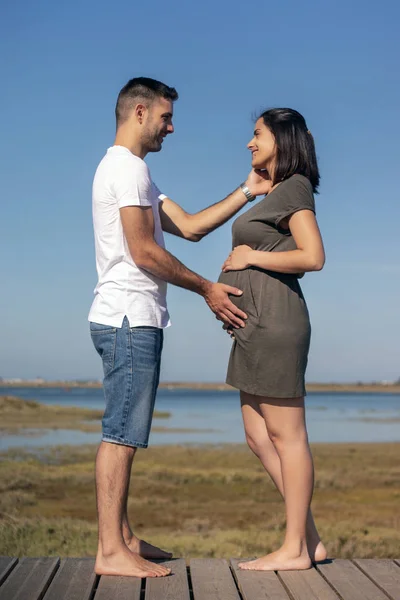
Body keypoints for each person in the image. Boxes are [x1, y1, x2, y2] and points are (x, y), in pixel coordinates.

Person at [88, 77, 271, 578]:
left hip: (129, 316)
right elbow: (143, 251)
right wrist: (207, 289)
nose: (172, 126)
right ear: (141, 112)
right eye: (167, 117)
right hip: (129, 316)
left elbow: (189, 227)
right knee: (121, 433)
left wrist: (247, 191)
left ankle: (122, 537)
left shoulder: (138, 173)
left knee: (123, 428)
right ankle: (110, 551)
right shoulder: (124, 171)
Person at [219, 108, 326, 571]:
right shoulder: (276, 191)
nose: (249, 142)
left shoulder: (297, 186)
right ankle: (311, 540)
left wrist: (251, 257)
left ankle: (294, 549)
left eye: (257, 134)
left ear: (282, 138)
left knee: (287, 436)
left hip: (279, 324)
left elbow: (313, 256)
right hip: (252, 325)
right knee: (258, 436)